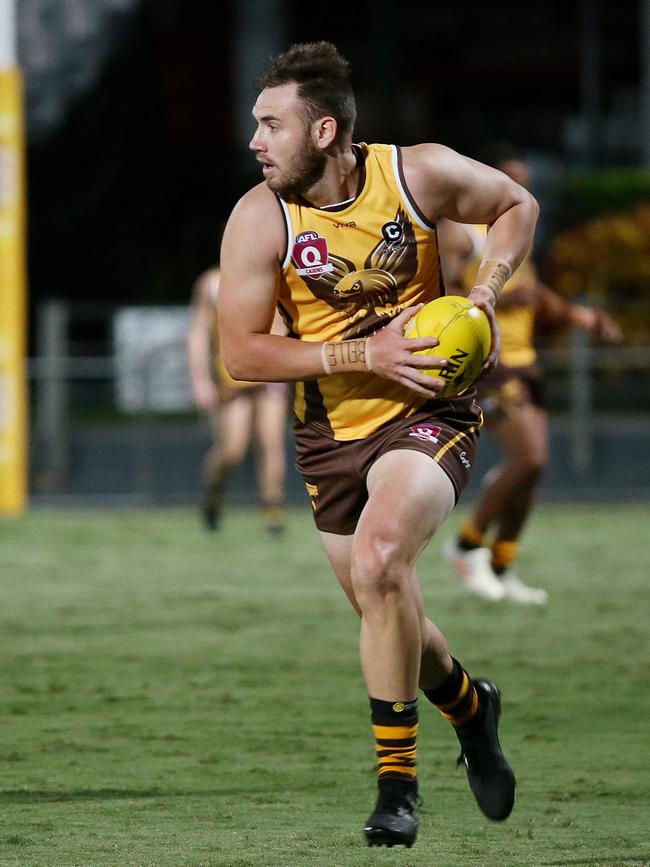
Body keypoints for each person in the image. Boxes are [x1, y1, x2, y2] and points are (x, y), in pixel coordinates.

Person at [217, 42, 539, 848]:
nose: (255, 141)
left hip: (430, 414)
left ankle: (397, 789)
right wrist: (365, 352)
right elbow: (242, 353)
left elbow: (516, 208)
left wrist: (484, 296)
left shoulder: (417, 175)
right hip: (330, 437)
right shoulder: (260, 218)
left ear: (324, 130)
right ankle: (472, 704)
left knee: (382, 555)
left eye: (271, 125)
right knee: (390, 608)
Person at [440, 147, 622, 604]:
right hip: (491, 367)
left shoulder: (515, 235)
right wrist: (496, 300)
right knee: (530, 459)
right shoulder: (463, 234)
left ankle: (501, 566)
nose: (518, 192)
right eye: (510, 182)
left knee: (531, 471)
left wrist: (581, 318)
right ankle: (465, 546)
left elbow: (534, 294)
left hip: (526, 363)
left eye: (523, 184)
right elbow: (442, 294)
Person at [187, 266, 289, 533]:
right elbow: (197, 334)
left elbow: (284, 323)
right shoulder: (211, 283)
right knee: (232, 450)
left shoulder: (274, 277)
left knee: (271, 442)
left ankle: (272, 513)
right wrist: (200, 380)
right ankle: (213, 494)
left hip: (267, 375)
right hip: (231, 376)